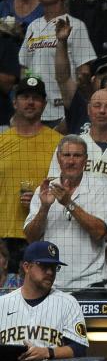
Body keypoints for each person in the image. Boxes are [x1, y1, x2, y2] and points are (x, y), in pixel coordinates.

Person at [24, 136, 107, 291]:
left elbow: (100, 232)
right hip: (52, 284)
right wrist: (44, 207)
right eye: (66, 155)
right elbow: (31, 238)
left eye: (77, 156)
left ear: (85, 159)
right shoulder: (43, 190)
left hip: (90, 284)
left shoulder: (100, 189)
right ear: (58, 158)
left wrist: (68, 203)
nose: (71, 161)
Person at [19, 0, 97, 125]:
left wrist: (76, 110)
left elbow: (84, 73)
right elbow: (24, 69)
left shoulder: (75, 25)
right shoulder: (33, 26)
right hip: (35, 114)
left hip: (63, 113)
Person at [0, 78, 62, 265]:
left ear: (44, 104)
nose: (30, 102)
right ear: (15, 102)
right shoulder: (2, 140)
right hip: (3, 234)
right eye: (25, 97)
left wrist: (37, 198)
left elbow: (65, 187)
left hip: (41, 234)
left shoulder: (59, 142)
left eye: (36, 98)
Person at [47, 89, 107, 208]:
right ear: (88, 110)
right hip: (69, 218)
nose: (102, 111)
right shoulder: (68, 145)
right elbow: (55, 186)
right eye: (97, 106)